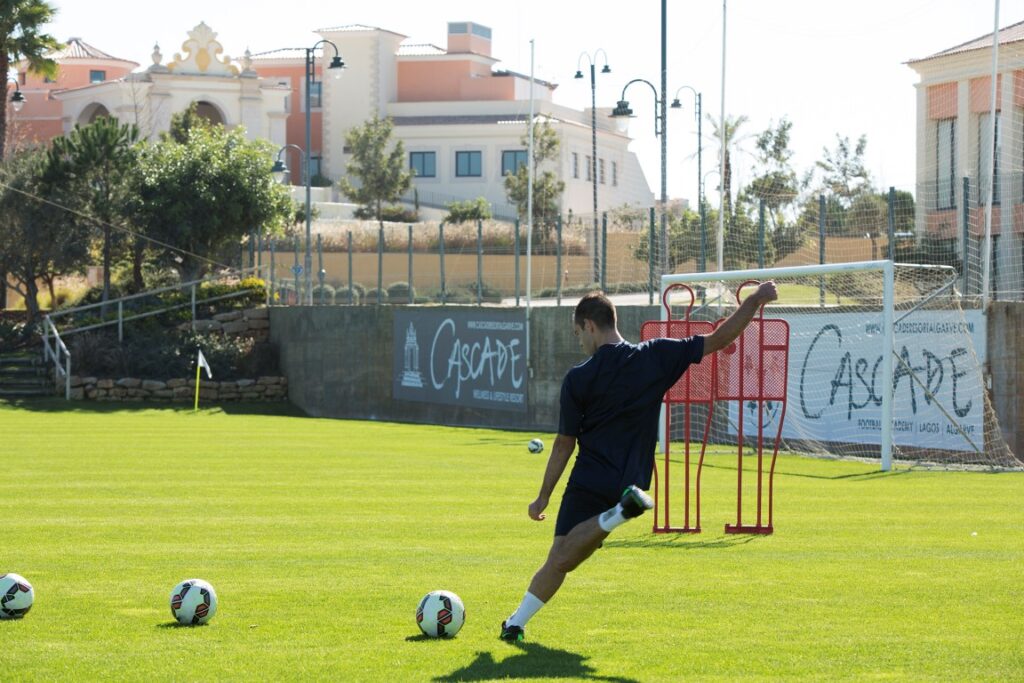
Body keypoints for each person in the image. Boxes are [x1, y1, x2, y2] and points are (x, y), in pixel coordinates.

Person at [499, 282, 779, 642]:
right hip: (631, 480)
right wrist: (755, 300)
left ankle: (614, 516)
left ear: (590, 326)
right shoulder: (655, 355)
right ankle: (515, 624)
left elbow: (564, 444)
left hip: (589, 478)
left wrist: (543, 497)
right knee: (561, 557)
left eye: (577, 333)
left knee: (564, 556)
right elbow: (719, 339)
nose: (579, 342)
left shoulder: (579, 377)